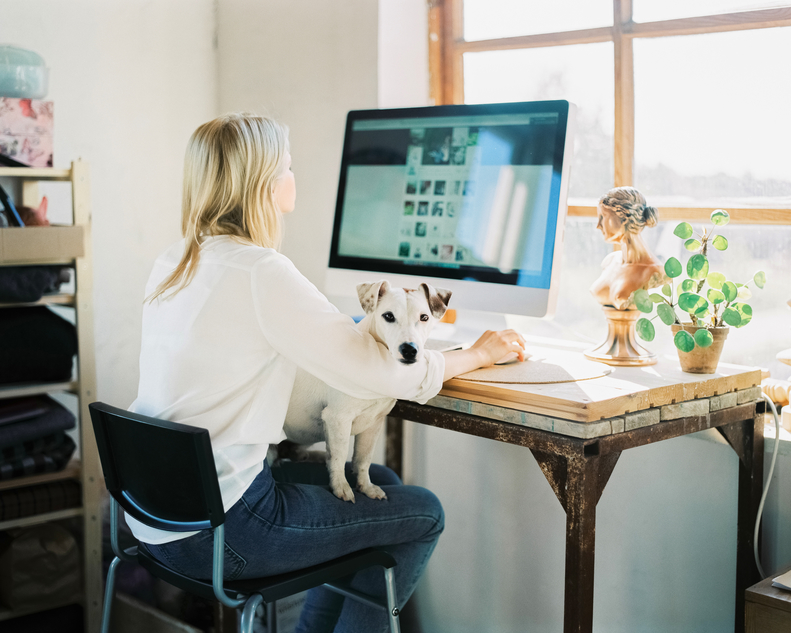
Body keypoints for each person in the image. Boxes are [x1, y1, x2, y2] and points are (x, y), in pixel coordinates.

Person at [128, 113, 526, 633]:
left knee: (377, 481)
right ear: (264, 183)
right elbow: (379, 373)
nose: (295, 177)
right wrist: (474, 355)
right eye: (288, 167)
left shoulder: (177, 259)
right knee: (423, 513)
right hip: (224, 535)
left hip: (155, 518)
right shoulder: (260, 271)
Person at [589, 186, 665, 310]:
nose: (598, 225)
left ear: (624, 217)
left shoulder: (655, 272)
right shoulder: (610, 261)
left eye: (603, 216)